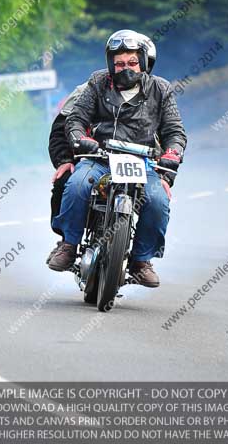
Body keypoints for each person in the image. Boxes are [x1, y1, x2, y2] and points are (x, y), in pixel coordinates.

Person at [47, 30, 187, 287]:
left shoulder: (161, 89)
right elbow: (75, 119)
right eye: (120, 63)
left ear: (143, 63)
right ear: (111, 63)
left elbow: (174, 132)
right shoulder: (97, 82)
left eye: (132, 63)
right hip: (99, 158)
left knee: (157, 200)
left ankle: (142, 261)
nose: (126, 69)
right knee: (76, 185)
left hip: (143, 163)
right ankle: (68, 244)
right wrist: (81, 139)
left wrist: (172, 155)